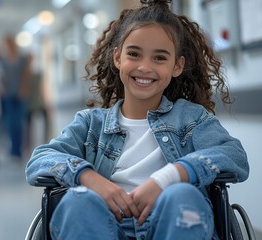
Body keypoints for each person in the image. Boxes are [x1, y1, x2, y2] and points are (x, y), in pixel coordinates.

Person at [25, 1, 249, 239]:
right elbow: (40, 160)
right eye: (134, 54)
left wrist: (170, 177)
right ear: (118, 58)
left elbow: (234, 156)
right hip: (104, 226)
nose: (144, 67)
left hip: (171, 223)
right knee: (78, 201)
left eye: (159, 58)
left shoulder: (191, 119)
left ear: (177, 66)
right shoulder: (91, 125)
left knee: (183, 196)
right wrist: (89, 179)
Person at [0, 35, 32, 161]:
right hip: (8, 95)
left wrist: (24, 89)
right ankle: (13, 150)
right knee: (10, 123)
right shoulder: (2, 60)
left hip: (20, 95)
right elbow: (0, 76)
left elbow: (26, 75)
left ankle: (18, 150)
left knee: (19, 123)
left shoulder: (22, 58)